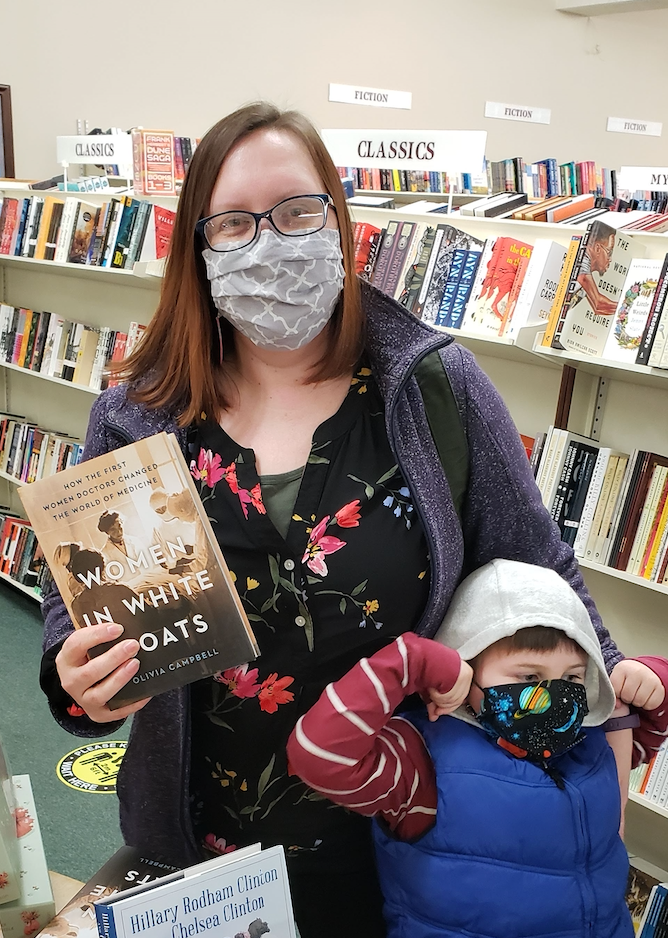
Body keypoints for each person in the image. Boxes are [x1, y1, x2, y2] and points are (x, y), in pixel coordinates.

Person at [39, 102, 668, 938]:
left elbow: (542, 570)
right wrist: (78, 682)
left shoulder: (434, 387)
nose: (270, 242)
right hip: (203, 863)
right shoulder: (141, 416)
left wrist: (610, 709)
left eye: (298, 212)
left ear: (338, 220)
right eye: (232, 223)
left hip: (411, 833)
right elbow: (77, 610)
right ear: (197, 249)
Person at [287, 560, 667, 937]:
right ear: (466, 665)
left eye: (572, 677)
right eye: (529, 676)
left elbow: (645, 732)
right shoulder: (423, 762)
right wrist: (411, 663)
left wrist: (653, 678)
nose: (552, 697)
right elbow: (318, 757)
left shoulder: (590, 743)